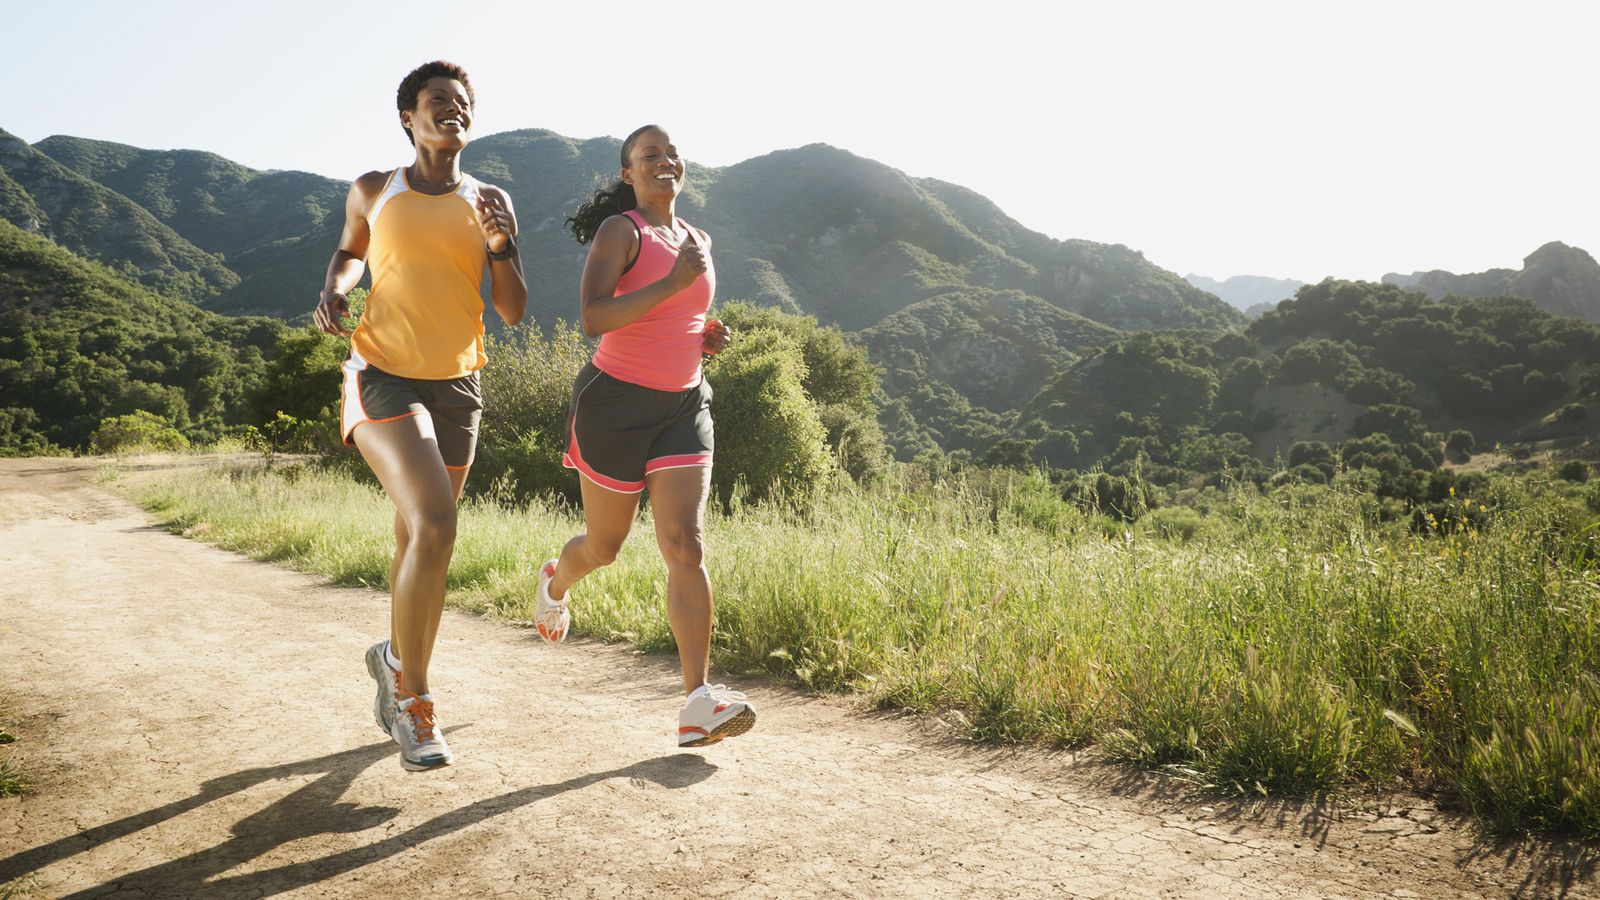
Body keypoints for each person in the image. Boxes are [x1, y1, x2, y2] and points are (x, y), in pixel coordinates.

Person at [312, 60, 526, 771]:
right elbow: (350, 251)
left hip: (458, 384)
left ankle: (392, 660)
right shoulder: (377, 188)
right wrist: (336, 289)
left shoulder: (490, 198)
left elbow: (514, 308)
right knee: (437, 522)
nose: (452, 110)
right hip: (383, 374)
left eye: (462, 103)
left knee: (418, 541)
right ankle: (414, 700)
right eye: (438, 102)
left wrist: (504, 245)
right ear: (410, 117)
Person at [537, 124, 752, 748]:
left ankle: (697, 702)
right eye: (648, 155)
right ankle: (555, 581)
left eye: (671, 153)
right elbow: (593, 317)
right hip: (614, 405)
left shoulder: (697, 238)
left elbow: (676, 315)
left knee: (686, 545)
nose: (665, 161)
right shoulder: (621, 231)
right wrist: (673, 285)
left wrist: (705, 336)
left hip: (685, 403)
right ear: (628, 174)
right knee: (604, 548)